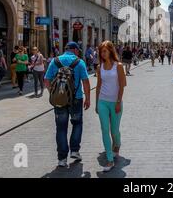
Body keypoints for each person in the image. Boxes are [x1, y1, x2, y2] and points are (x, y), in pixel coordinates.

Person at [44, 42, 91, 168]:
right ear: (75, 50)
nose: (79, 52)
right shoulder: (79, 62)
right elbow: (85, 82)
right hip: (76, 98)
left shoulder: (55, 61)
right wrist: (88, 98)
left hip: (59, 101)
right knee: (77, 123)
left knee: (61, 128)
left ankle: (62, 159)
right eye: (78, 50)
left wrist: (53, 93)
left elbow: (46, 80)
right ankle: (75, 150)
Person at [95, 41, 127, 172]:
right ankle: (109, 160)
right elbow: (98, 86)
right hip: (102, 101)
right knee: (104, 129)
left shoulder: (118, 66)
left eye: (105, 51)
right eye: (101, 51)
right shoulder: (99, 67)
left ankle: (117, 145)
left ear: (110, 51)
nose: (103, 54)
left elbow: (122, 85)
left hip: (115, 102)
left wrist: (119, 102)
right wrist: (97, 103)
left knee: (114, 131)